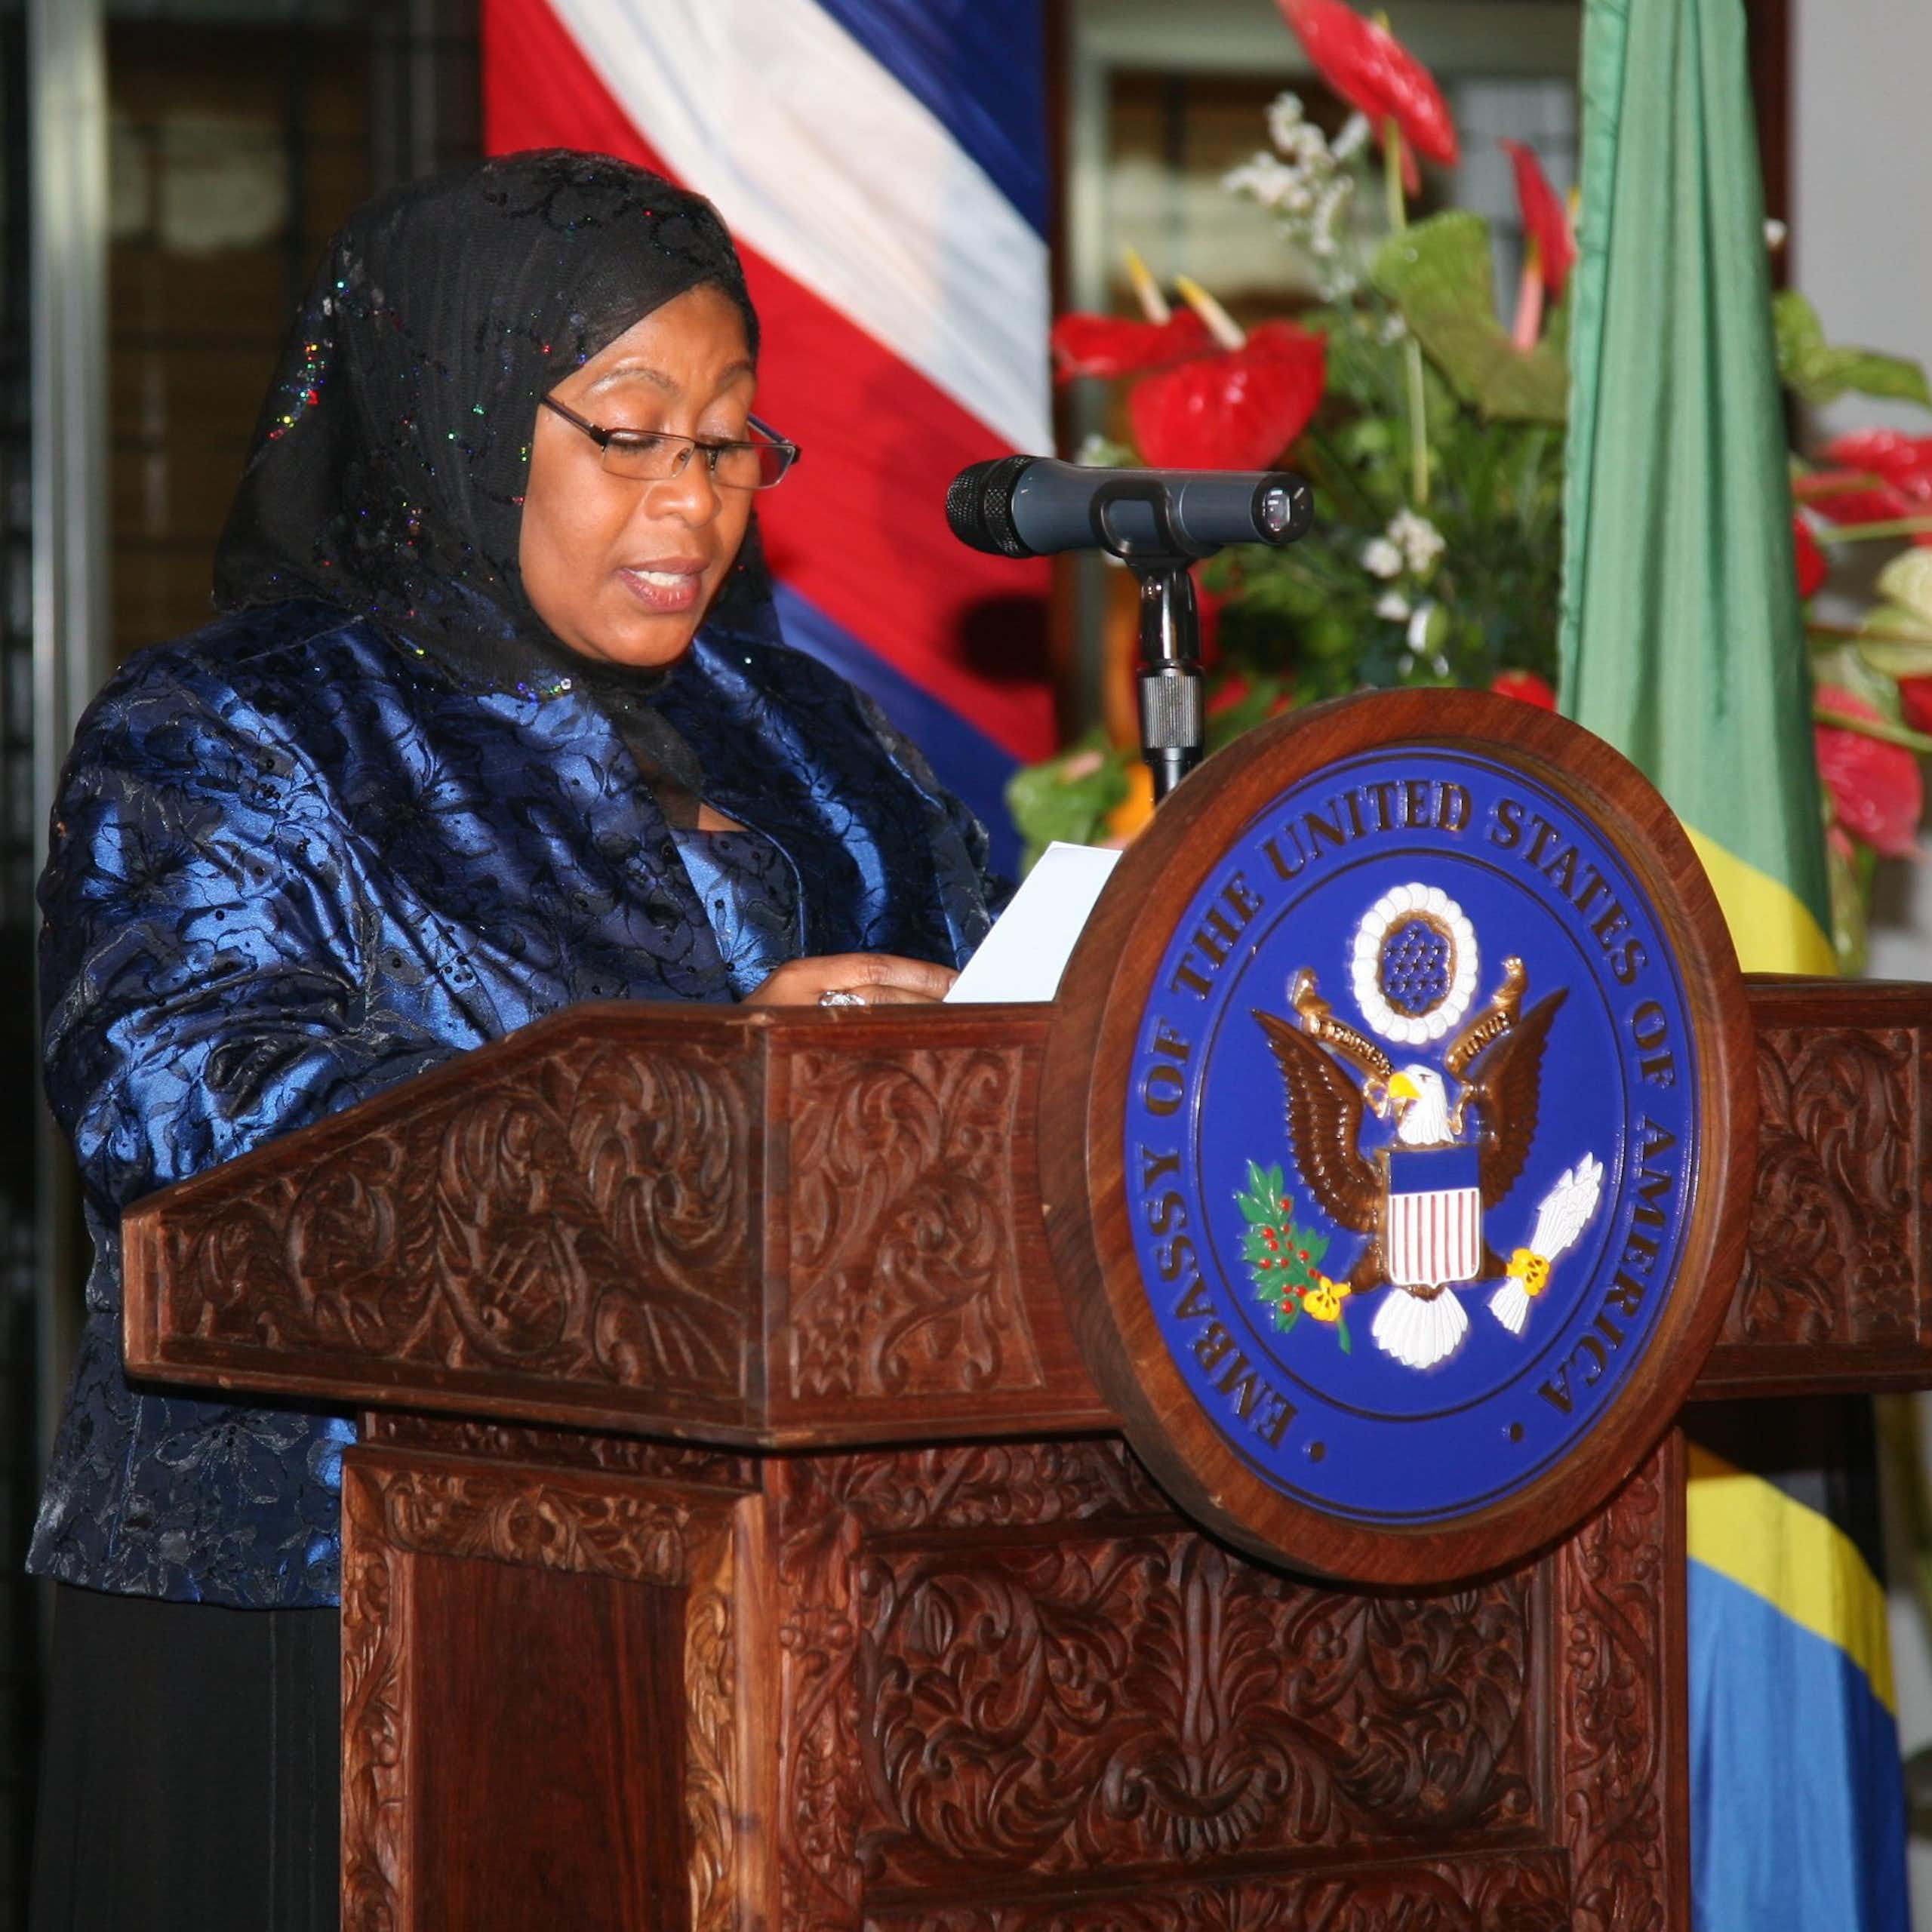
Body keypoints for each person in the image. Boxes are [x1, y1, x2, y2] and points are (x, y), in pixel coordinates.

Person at [26, 150, 1003, 1930]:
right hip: (322, 1589)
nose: (691, 502)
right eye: (627, 434)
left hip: (783, 1578)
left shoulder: (818, 734)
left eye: (727, 444)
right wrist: (699, 1087)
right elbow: (196, 1109)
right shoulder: (232, 730)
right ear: (457, 416)